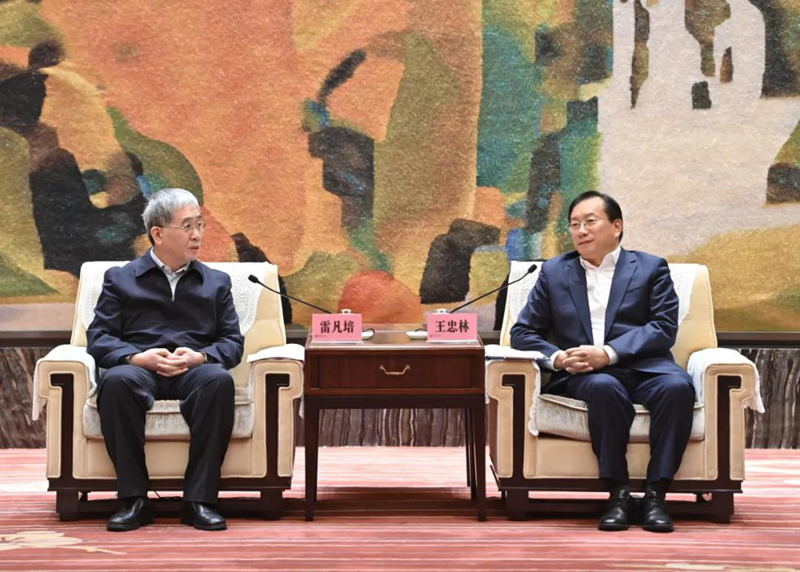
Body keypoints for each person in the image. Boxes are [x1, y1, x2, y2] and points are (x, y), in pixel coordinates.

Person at [510, 191, 695, 533]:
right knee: (604, 386)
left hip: (644, 367)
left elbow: (663, 327)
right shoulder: (554, 272)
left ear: (616, 226)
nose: (580, 231)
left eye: (590, 221)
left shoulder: (651, 268)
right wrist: (558, 358)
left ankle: (656, 495)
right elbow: (522, 332)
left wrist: (608, 353)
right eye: (574, 224)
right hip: (585, 375)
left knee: (677, 387)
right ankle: (618, 494)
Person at [87, 188, 244, 532]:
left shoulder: (216, 283)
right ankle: (134, 500)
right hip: (140, 370)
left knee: (218, 380)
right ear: (157, 233)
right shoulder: (120, 279)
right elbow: (99, 338)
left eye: (200, 225)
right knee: (116, 381)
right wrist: (135, 357)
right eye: (187, 226)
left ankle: (199, 501)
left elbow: (233, 342)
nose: (197, 234)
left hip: (193, 372)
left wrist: (201, 356)